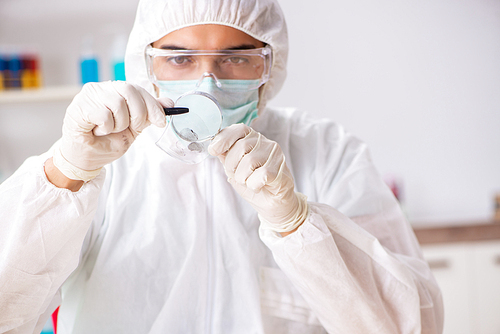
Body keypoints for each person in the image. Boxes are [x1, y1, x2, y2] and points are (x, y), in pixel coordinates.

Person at [0, 0, 444, 333]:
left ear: (268, 64)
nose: (208, 81)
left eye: (235, 57)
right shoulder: (108, 161)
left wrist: (296, 223)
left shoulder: (327, 153)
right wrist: (64, 176)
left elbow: (413, 324)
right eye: (179, 58)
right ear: (146, 64)